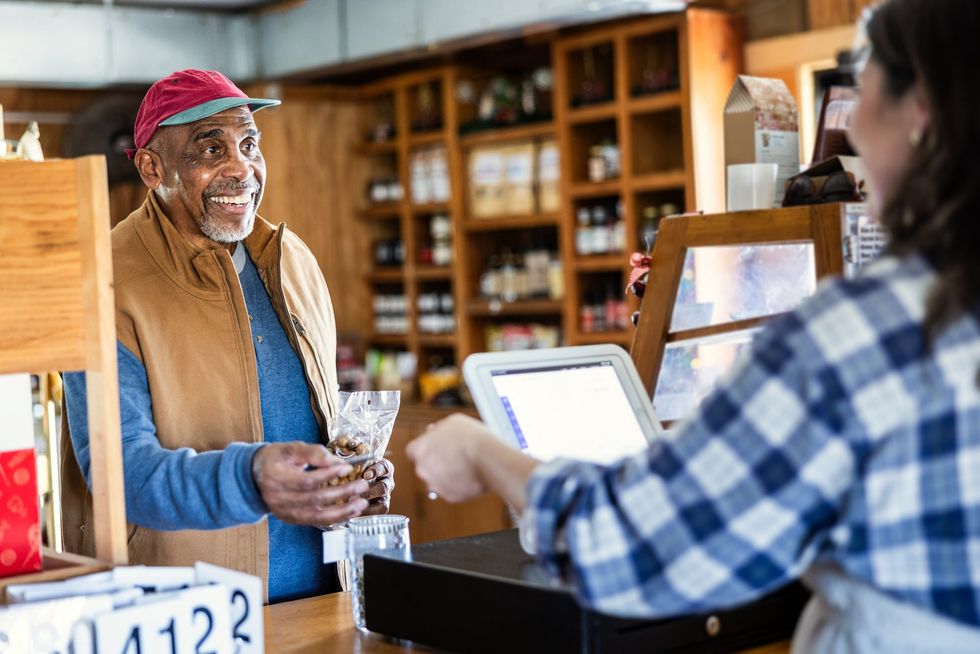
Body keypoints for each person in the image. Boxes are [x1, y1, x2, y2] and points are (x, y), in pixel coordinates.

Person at [408, 0, 980, 649]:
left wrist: (482, 451)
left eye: (863, 87)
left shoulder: (858, 336)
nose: (849, 129)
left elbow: (634, 546)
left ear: (920, 115)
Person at [61, 69, 394, 603]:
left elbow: (317, 424)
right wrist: (252, 478)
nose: (242, 169)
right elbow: (121, 472)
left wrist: (351, 473)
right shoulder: (103, 283)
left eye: (248, 144)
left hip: (322, 600)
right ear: (152, 167)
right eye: (210, 148)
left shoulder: (292, 261)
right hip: (189, 612)